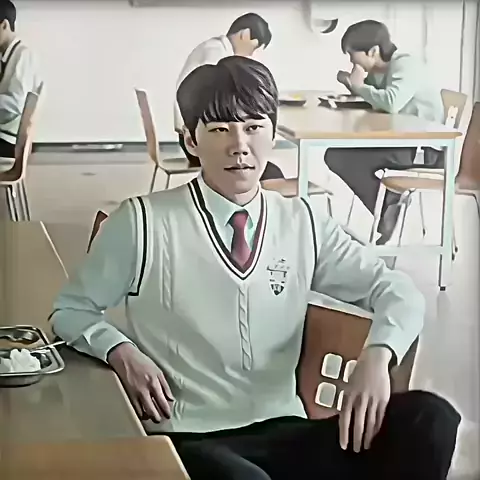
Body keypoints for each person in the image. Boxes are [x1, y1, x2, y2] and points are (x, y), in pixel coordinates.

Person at [50, 56, 460, 480]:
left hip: (287, 431)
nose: (239, 145)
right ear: (190, 140)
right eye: (219, 130)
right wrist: (120, 351)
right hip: (189, 436)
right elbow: (71, 310)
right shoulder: (142, 222)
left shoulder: (303, 222)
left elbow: (397, 291)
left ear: (273, 133)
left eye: (253, 127)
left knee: (431, 418)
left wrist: (377, 357)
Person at [325, 20, 444, 244]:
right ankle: (388, 207)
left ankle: (388, 207)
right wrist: (352, 85)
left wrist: (359, 86)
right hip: (401, 141)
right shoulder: (380, 71)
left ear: (372, 51)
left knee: (343, 158)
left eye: (352, 55)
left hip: (423, 149)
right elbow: (376, 101)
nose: (351, 61)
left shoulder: (406, 65)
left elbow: (391, 102)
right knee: (336, 155)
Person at [173, 12, 284, 181]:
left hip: (197, 135)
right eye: (253, 47)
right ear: (244, 34)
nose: (251, 54)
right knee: (266, 170)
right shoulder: (216, 54)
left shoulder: (214, 48)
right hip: (200, 140)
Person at [0, 0, 41, 158]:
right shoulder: (7, 55)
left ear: (4, 25)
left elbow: (16, 104)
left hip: (9, 140)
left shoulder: (23, 55)